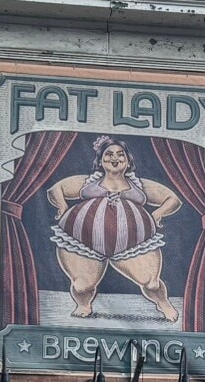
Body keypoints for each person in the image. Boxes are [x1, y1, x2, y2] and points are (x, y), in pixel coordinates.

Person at [46, 136, 183, 321]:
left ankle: (164, 304)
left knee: (151, 283)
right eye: (109, 154)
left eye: (120, 154)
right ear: (101, 160)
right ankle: (84, 305)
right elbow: (55, 189)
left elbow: (173, 199)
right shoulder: (88, 182)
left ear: (128, 160)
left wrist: (157, 215)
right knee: (82, 286)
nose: (114, 158)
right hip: (83, 242)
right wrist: (62, 208)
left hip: (134, 244)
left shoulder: (139, 185)